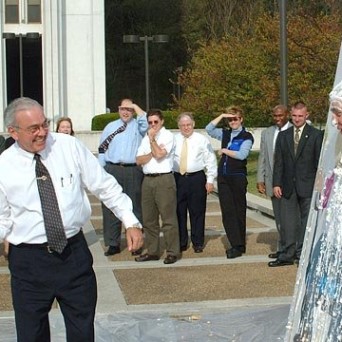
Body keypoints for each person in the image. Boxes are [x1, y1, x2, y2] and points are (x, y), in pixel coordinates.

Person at [0, 97, 143, 342]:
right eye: (33, 128)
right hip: (29, 262)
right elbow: (2, 218)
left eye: (44, 124)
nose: (42, 132)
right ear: (12, 132)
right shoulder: (4, 167)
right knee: (31, 334)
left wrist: (130, 221)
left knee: (82, 331)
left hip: (73, 255)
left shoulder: (68, 146)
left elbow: (104, 185)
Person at [269, 101, 323, 267]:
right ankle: (287, 254)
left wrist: (319, 187)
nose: (297, 119)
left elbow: (319, 163)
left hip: (308, 186)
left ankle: (302, 255)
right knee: (288, 223)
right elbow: (278, 162)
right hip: (287, 186)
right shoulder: (284, 135)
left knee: (306, 223)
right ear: (290, 115)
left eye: (301, 116)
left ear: (307, 115)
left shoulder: (316, 135)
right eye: (294, 115)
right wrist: (276, 183)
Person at [98, 98, 147, 256]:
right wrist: (102, 170)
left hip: (133, 170)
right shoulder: (110, 127)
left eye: (129, 109)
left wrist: (135, 106)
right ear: (118, 110)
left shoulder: (138, 127)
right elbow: (102, 149)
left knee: (134, 207)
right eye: (123, 109)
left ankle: (136, 243)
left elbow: (146, 122)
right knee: (110, 206)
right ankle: (113, 243)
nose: (126, 112)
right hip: (112, 169)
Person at [206, 106, 254, 258]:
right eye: (230, 119)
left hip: (237, 176)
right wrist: (221, 115)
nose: (233, 122)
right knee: (227, 212)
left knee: (239, 210)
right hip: (224, 177)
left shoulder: (247, 136)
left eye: (236, 118)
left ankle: (240, 244)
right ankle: (235, 243)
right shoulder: (225, 133)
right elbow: (209, 128)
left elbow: (242, 155)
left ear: (241, 119)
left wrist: (225, 151)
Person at [135, 109, 180, 264]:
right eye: (150, 122)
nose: (153, 125)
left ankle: (172, 251)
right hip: (147, 180)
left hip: (164, 179)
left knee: (168, 218)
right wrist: (151, 152)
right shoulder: (145, 137)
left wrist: (153, 141)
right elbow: (139, 160)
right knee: (149, 219)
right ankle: (153, 251)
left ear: (162, 121)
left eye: (155, 122)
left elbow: (161, 155)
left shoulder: (168, 136)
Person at [173, 112, 217, 253]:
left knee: (197, 211)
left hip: (196, 178)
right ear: (179, 126)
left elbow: (210, 159)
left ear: (193, 125)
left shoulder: (201, 139)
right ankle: (181, 241)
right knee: (179, 211)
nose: (186, 128)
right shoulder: (173, 140)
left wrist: (210, 180)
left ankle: (198, 242)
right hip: (178, 178)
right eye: (183, 125)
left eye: (188, 125)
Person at [257, 105, 291, 259]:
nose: (278, 118)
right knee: (278, 218)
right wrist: (260, 179)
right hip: (272, 181)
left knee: (291, 217)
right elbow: (263, 157)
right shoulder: (267, 133)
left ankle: (293, 248)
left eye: (281, 115)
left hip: (290, 182)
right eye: (275, 116)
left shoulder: (294, 131)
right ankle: (282, 248)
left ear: (287, 115)